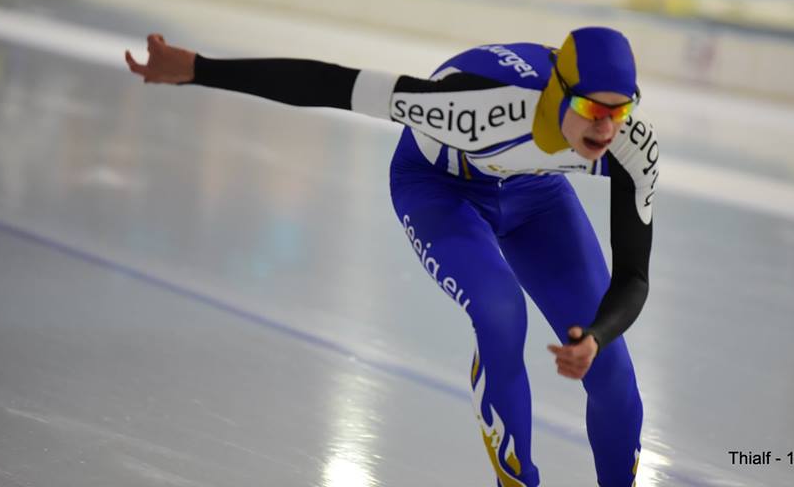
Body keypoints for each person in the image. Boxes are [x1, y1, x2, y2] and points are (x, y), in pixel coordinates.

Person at [125, 26, 658, 487]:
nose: (606, 128)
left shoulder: (630, 145)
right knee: (501, 312)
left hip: (534, 194)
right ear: (559, 96)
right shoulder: (476, 109)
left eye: (620, 111)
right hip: (438, 187)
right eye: (592, 110)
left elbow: (633, 276)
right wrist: (198, 69)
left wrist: (596, 335)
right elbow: (329, 84)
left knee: (610, 365)